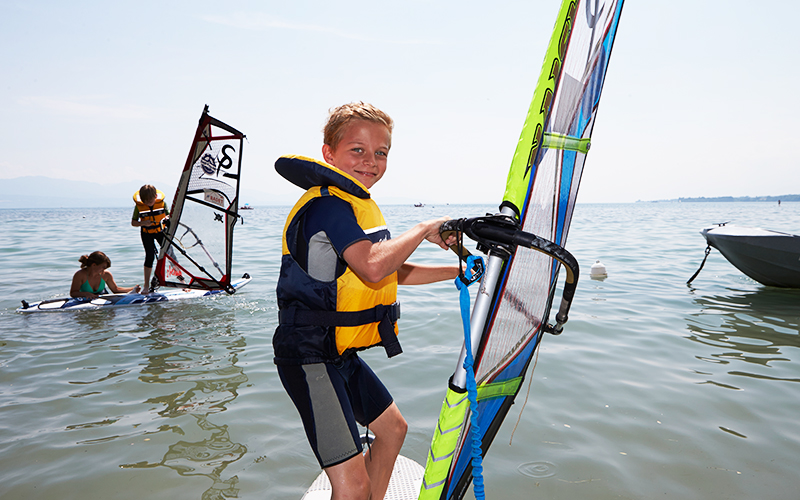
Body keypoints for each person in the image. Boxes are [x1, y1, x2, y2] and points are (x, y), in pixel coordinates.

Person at [273, 102, 460, 500]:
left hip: (336, 352)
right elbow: (375, 267)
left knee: (393, 429)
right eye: (357, 150)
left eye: (381, 152)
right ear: (329, 153)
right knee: (351, 485)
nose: (371, 161)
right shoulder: (329, 206)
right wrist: (425, 227)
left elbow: (389, 272)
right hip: (308, 355)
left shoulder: (353, 210)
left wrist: (458, 273)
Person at [131, 184, 169, 290]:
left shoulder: (162, 203)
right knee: (149, 257)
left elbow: (169, 215)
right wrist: (143, 223)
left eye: (150, 201)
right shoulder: (139, 207)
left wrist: (166, 217)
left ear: (156, 197)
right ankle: (146, 285)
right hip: (146, 233)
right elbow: (133, 223)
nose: (147, 204)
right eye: (145, 202)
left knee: (170, 254)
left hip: (161, 231)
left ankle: (182, 280)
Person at [70, 251, 140, 299]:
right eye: (103, 267)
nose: (104, 270)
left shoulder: (106, 274)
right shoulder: (80, 275)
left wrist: (133, 289)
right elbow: (73, 293)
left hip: (101, 296)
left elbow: (115, 290)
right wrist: (86, 294)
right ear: (94, 265)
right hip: (84, 300)